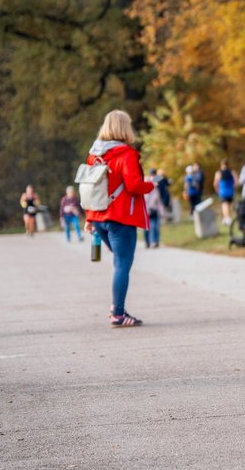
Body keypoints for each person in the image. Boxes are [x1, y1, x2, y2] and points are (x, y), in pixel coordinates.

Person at [84, 110, 155, 327]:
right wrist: (151, 185)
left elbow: (90, 189)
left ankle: (117, 308)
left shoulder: (94, 155)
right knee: (122, 264)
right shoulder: (126, 154)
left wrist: (89, 217)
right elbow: (133, 186)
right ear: (125, 127)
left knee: (118, 262)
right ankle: (118, 313)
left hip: (98, 217)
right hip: (120, 217)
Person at [214, 159, 237, 225]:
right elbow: (236, 181)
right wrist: (234, 187)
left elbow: (215, 183)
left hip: (223, 191)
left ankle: (227, 218)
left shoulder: (218, 173)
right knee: (228, 205)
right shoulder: (232, 172)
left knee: (224, 205)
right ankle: (226, 217)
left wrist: (217, 190)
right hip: (230, 191)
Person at [143, 175, 162, 249]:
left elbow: (159, 202)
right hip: (146, 212)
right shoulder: (144, 191)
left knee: (154, 227)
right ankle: (147, 242)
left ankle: (155, 242)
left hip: (154, 211)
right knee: (147, 228)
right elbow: (143, 202)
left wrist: (161, 211)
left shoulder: (156, 191)